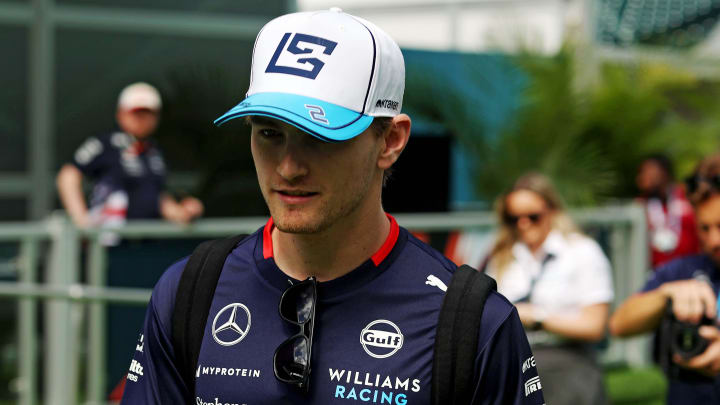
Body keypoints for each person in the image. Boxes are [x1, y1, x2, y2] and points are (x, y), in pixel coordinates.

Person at [120, 9, 544, 404]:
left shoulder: (475, 324)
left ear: (390, 140)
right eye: (269, 133)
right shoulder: (190, 293)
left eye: (320, 137)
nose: (288, 167)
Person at [485, 173, 614, 405]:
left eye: (533, 216)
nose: (523, 224)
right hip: (513, 363)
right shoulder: (502, 257)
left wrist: (537, 317)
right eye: (514, 218)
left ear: (552, 211)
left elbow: (595, 326)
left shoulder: (581, 251)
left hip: (568, 362)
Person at [610, 153, 720, 405]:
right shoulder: (684, 270)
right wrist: (665, 294)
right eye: (705, 228)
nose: (714, 241)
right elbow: (619, 324)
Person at [56, 82, 204, 236]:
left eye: (148, 113)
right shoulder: (105, 144)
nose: (142, 119)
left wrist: (183, 213)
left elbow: (156, 197)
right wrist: (82, 221)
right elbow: (68, 175)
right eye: (136, 113)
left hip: (148, 241)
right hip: (110, 242)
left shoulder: (154, 151)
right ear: (121, 114)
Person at [636, 154, 700, 269]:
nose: (644, 177)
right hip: (656, 272)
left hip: (691, 268)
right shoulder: (641, 206)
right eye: (642, 172)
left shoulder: (688, 196)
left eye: (650, 171)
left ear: (664, 172)